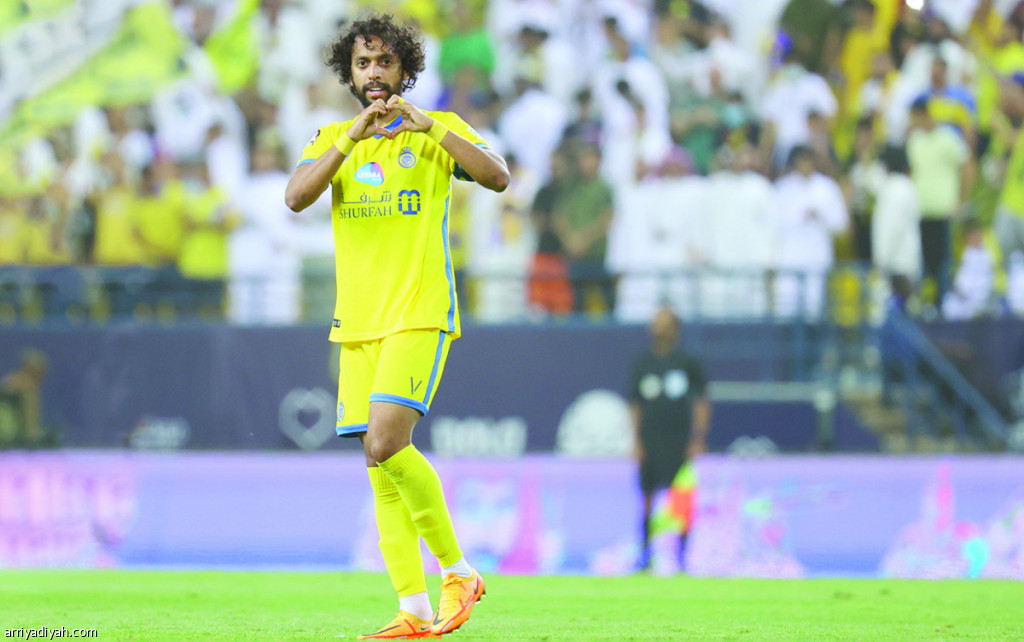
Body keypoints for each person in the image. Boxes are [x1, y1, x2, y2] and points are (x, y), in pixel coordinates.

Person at [284, 14, 509, 640]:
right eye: (363, 63)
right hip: (357, 321)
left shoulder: (438, 129)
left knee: (386, 442)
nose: (374, 73)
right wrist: (350, 141)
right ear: (350, 75)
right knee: (377, 464)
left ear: (405, 70)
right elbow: (295, 197)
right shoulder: (333, 137)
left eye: (385, 61)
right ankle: (412, 609)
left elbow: (498, 177)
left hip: (418, 311)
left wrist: (431, 127)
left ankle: (459, 572)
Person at [628, 306, 710, 572]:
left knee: (682, 501)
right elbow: (635, 405)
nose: (658, 326)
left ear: (675, 329)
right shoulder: (643, 364)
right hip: (650, 441)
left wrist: (698, 438)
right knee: (647, 499)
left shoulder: (687, 363)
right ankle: (645, 555)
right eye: (656, 321)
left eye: (664, 322)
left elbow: (701, 401)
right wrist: (636, 440)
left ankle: (682, 558)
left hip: (679, 442)